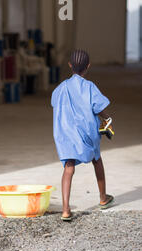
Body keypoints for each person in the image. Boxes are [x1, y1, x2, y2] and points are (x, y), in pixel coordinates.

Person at [51, 49, 115, 222]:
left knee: (68, 167)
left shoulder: (61, 88)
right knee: (96, 159)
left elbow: (54, 102)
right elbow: (99, 108)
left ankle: (65, 210)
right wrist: (108, 119)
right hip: (87, 132)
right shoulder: (89, 87)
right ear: (88, 66)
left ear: (70, 65)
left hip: (66, 133)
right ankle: (103, 198)